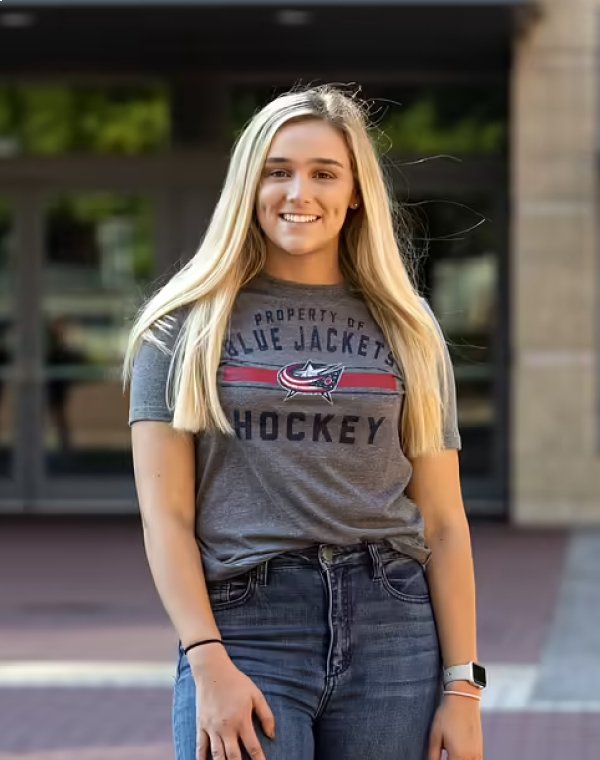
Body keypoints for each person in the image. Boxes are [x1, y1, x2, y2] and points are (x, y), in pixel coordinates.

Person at [123, 85, 485, 760]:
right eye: (278, 170)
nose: (299, 192)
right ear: (249, 184)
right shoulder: (183, 328)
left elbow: (443, 521)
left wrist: (462, 689)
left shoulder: (408, 329)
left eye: (324, 173)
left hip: (394, 626)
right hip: (248, 626)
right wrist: (208, 661)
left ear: (354, 194)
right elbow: (165, 517)